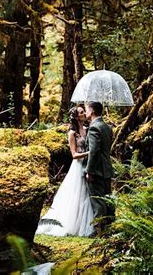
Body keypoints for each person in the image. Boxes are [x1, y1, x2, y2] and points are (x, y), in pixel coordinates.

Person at [35, 106, 94, 237]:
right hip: (78, 165)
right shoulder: (72, 134)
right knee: (77, 194)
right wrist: (90, 153)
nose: (84, 113)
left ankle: (88, 222)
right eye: (81, 112)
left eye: (84, 111)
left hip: (87, 164)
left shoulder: (87, 130)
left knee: (87, 193)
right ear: (76, 116)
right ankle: (72, 223)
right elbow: (73, 154)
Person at [84, 101, 114, 234]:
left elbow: (94, 151)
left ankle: (99, 230)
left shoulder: (94, 127)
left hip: (97, 170)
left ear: (92, 111)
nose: (85, 112)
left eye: (86, 110)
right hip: (107, 168)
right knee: (108, 198)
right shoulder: (107, 127)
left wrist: (89, 171)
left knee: (98, 200)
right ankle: (111, 227)